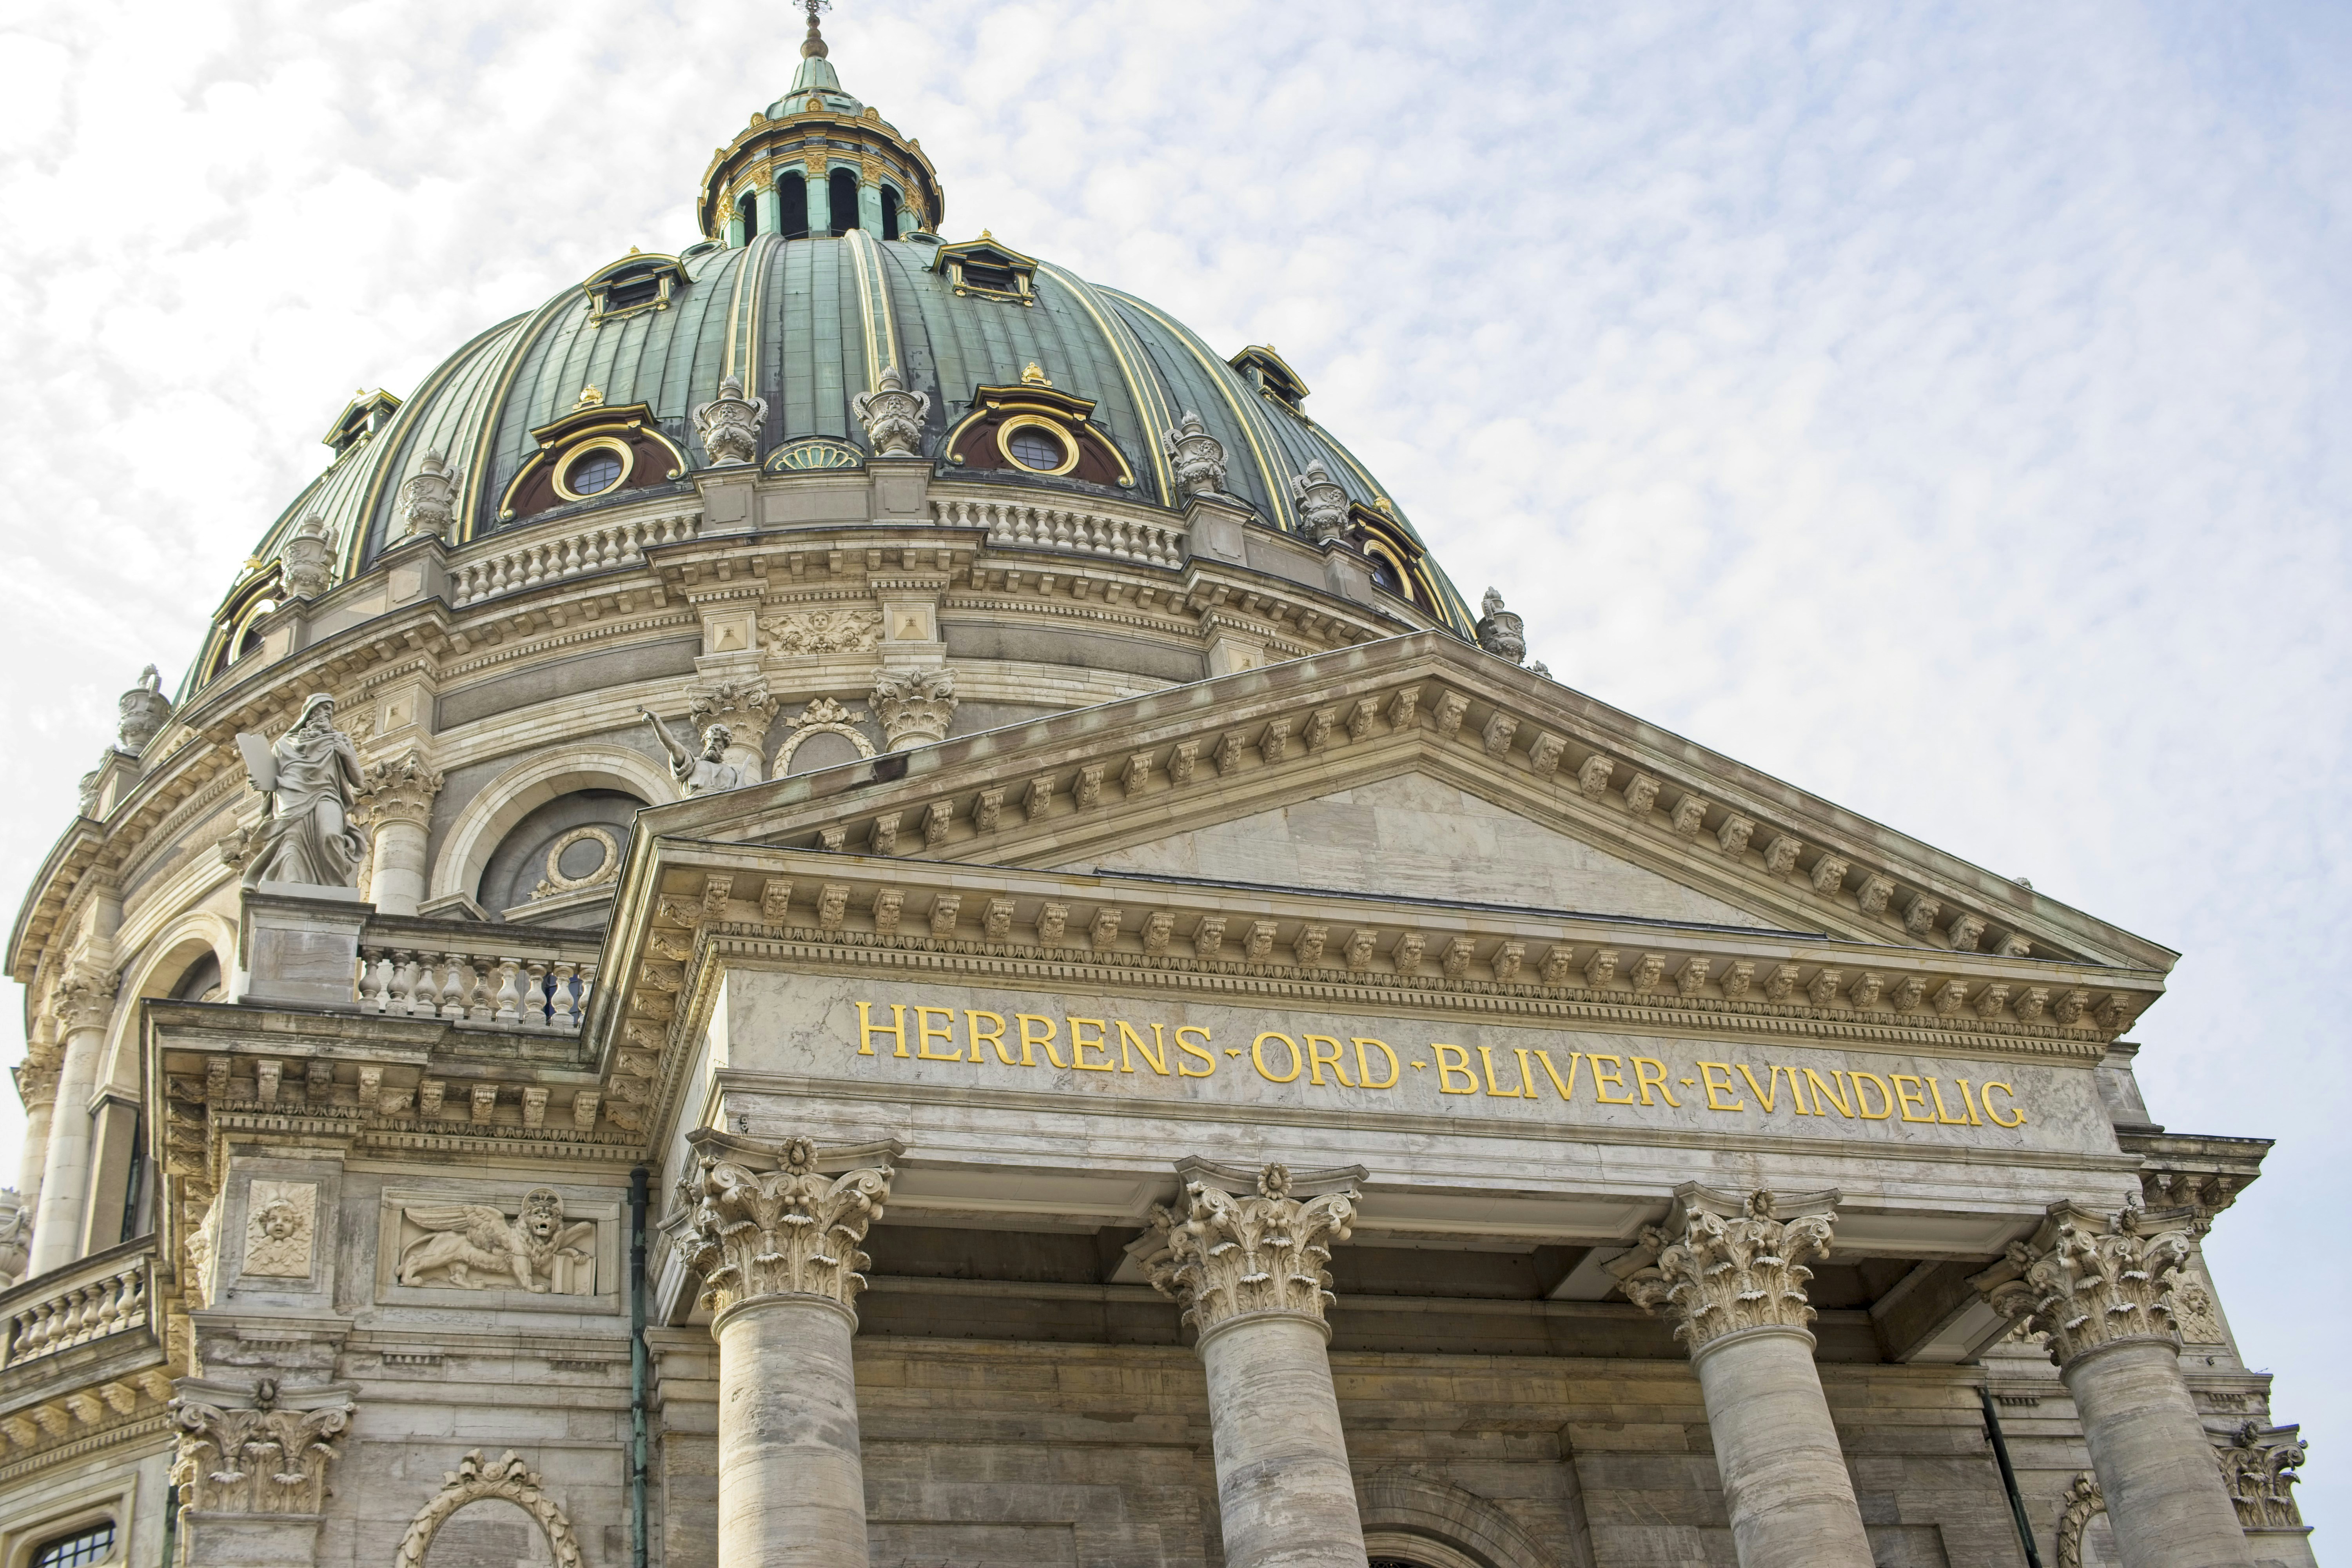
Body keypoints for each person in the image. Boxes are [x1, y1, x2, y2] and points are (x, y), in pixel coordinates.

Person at [241, 694, 366, 889]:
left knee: (331, 835)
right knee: (291, 839)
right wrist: (261, 784)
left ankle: (335, 888)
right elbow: (271, 783)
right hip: (291, 795)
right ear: (310, 710)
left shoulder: (339, 740)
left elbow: (359, 781)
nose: (328, 713)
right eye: (324, 708)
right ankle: (292, 882)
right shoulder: (283, 745)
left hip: (327, 794)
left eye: (330, 710)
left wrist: (347, 754)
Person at [641, 708, 749, 795]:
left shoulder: (734, 774)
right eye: (709, 740)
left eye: (717, 740)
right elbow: (671, 745)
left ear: (725, 744)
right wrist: (657, 721)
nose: (712, 744)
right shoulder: (692, 763)